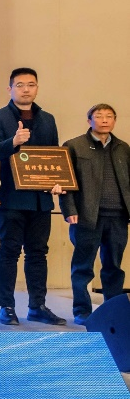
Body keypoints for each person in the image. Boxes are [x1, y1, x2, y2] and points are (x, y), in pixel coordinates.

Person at [0, 67, 66, 325]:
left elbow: (54, 158)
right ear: (10, 89)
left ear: (37, 88)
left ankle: (37, 306)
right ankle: (6, 306)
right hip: (11, 198)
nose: (26, 89)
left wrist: (57, 182)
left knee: (38, 253)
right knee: (9, 251)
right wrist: (14, 141)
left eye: (31, 84)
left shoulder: (48, 119)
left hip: (41, 199)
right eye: (20, 85)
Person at [60, 103, 130, 324]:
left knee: (114, 267)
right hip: (87, 216)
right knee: (83, 266)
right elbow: (65, 182)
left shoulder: (123, 148)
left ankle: (113, 312)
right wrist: (69, 209)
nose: (104, 120)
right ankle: (82, 311)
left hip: (118, 216)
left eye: (109, 116)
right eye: (99, 116)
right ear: (89, 120)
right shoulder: (74, 146)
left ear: (114, 121)